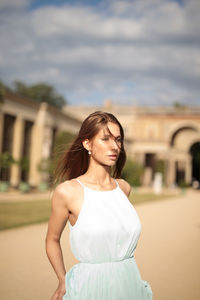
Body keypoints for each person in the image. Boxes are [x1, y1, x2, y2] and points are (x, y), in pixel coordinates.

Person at [45, 111, 153, 300]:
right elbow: (52, 239)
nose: (114, 147)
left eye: (118, 140)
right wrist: (62, 280)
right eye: (106, 139)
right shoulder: (68, 192)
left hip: (128, 285)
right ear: (87, 144)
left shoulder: (124, 188)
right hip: (89, 288)